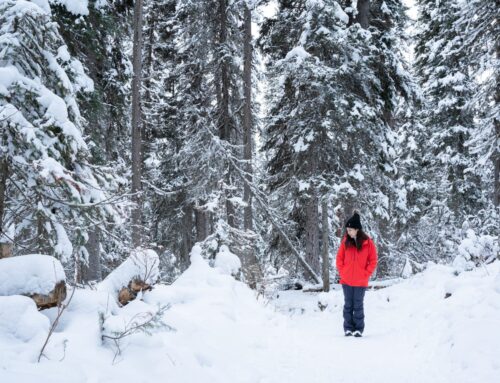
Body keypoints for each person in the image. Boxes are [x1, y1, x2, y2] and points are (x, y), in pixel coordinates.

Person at [336, 212, 378, 337]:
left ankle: (358, 329)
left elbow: (373, 260)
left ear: (357, 229)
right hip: (347, 281)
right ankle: (348, 328)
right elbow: (339, 259)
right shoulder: (345, 242)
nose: (348, 232)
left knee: (358, 306)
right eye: (347, 230)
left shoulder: (367, 243)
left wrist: (366, 274)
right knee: (348, 305)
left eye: (350, 230)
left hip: (360, 281)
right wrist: (343, 272)